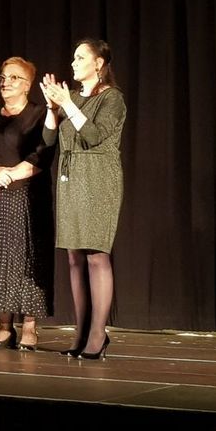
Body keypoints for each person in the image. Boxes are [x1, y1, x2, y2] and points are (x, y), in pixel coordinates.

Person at [40, 38, 126, 360]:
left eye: (80, 58)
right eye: (73, 58)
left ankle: (98, 334)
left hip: (99, 179)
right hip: (71, 180)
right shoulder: (72, 98)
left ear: (98, 63)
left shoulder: (112, 98)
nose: (73, 63)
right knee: (74, 257)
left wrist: (68, 104)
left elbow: (92, 136)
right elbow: (49, 139)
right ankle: (81, 331)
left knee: (96, 256)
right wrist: (52, 107)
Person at [0, 57, 54, 351]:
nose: (6, 82)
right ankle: (5, 327)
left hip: (27, 197)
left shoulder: (39, 115)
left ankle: (29, 327)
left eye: (14, 77)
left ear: (28, 85)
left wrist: (9, 176)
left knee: (28, 260)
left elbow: (42, 155)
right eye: (3, 77)